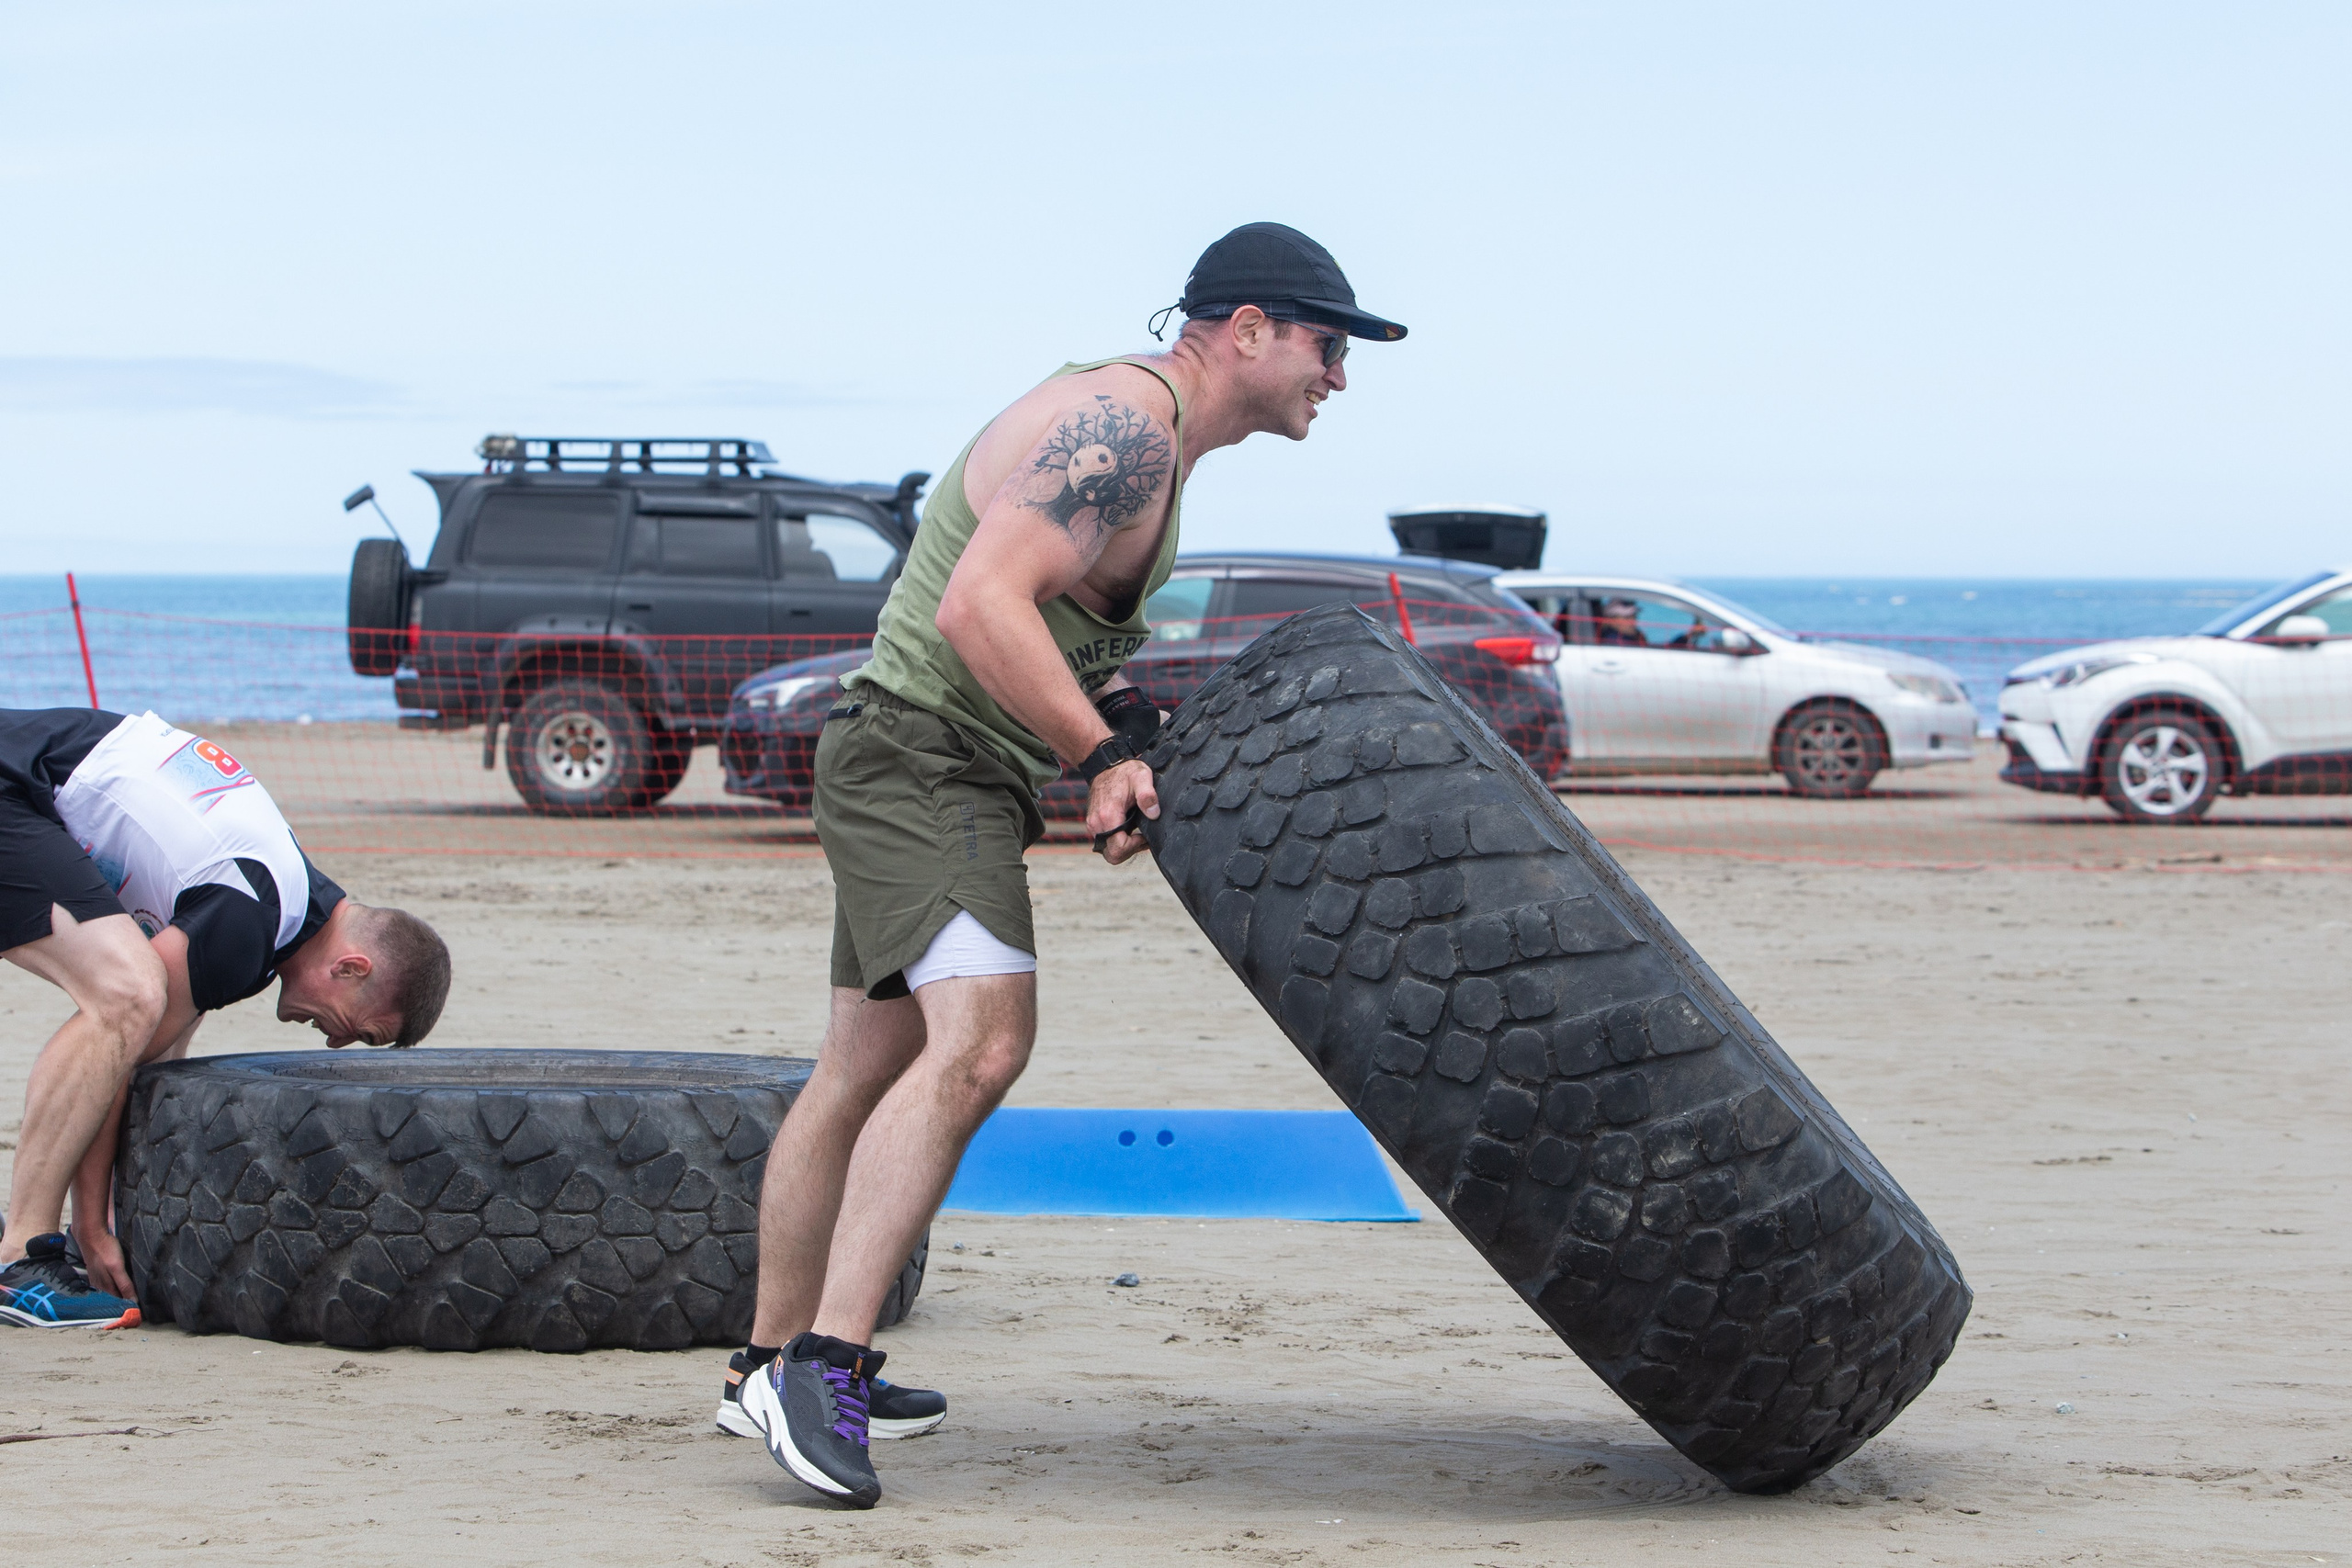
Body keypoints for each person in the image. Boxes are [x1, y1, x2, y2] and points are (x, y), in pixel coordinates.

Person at [724, 223, 1406, 1508]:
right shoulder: (1127, 427)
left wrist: (1124, 721)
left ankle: (759, 1361)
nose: (1340, 376)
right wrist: (1097, 754)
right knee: (983, 1043)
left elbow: (1034, 614)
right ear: (1247, 327)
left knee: (864, 1066)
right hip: (924, 761)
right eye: (1330, 345)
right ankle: (823, 1368)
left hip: (918, 757)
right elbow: (976, 604)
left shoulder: (1143, 434)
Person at [0, 707, 450, 1328]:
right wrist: (89, 1224)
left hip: (32, 784)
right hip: (16, 786)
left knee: (139, 1009)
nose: (338, 1042)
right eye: (362, 1028)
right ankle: (24, 1254)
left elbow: (149, 1058)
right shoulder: (255, 914)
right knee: (126, 997)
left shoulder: (283, 903)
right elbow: (125, 1040)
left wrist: (118, 1219)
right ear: (351, 967)